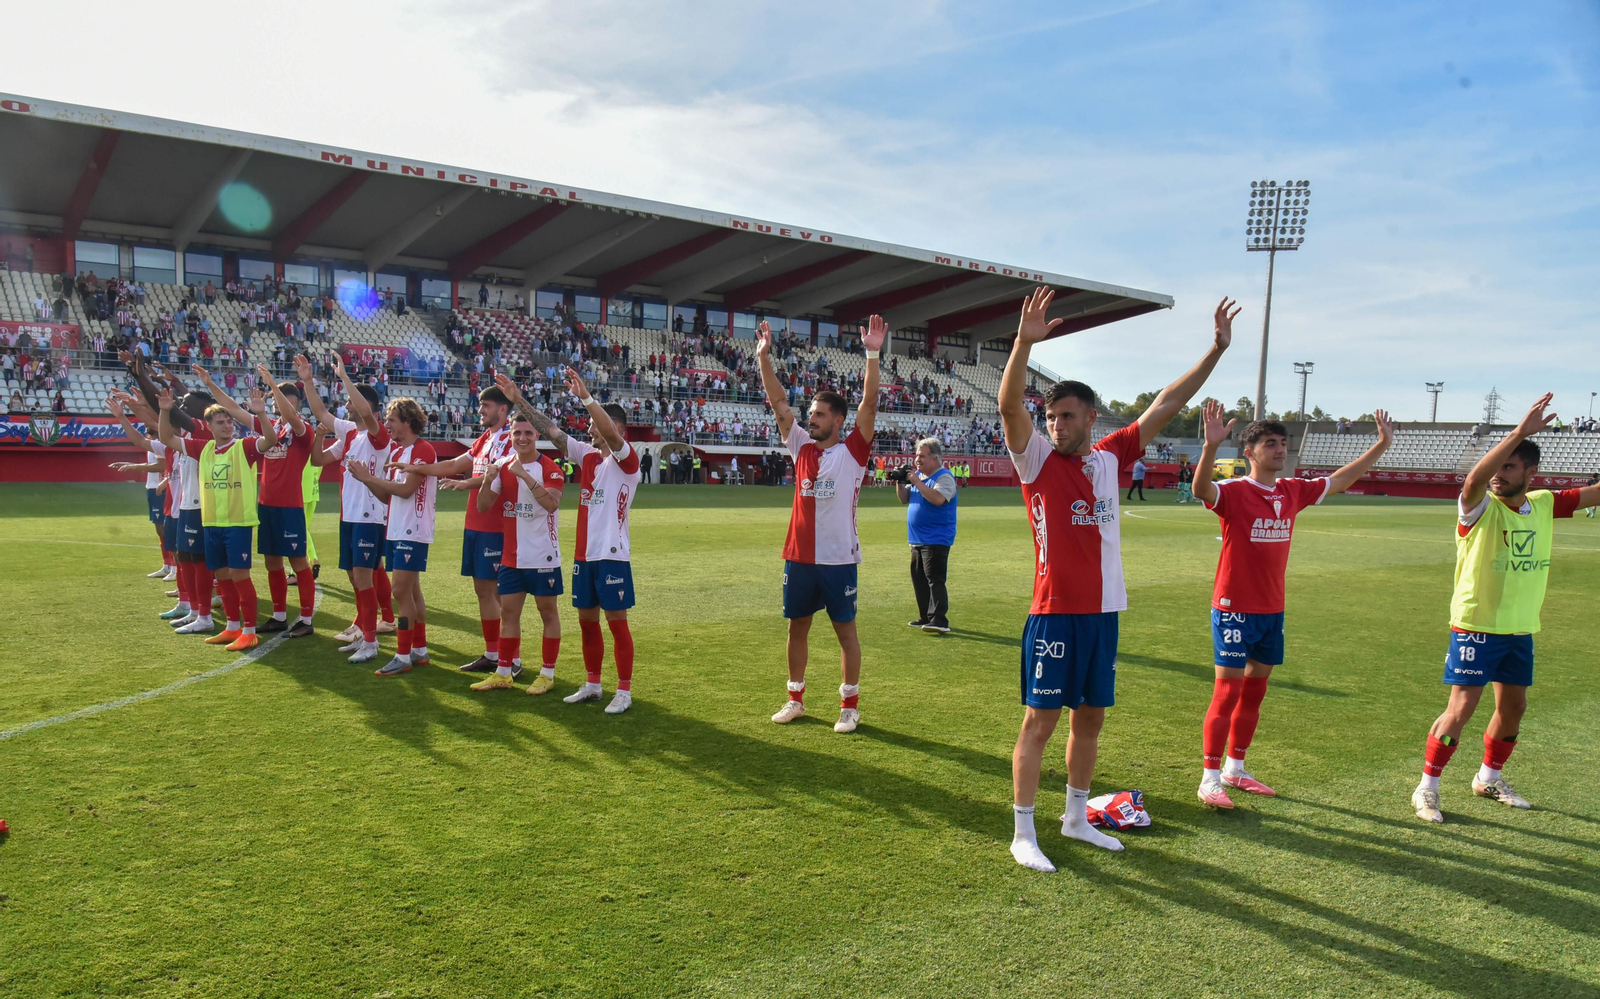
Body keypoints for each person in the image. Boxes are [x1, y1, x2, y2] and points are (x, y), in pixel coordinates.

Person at [1003, 288, 1239, 872]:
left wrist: (1215, 351)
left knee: (1091, 719)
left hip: (1103, 613)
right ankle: (1023, 833)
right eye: (1050, 417)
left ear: (1090, 418)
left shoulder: (1111, 457)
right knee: (1040, 722)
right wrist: (1022, 343)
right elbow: (1010, 408)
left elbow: (1163, 402)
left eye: (1066, 416)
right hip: (1054, 611)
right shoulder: (1034, 461)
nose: (1055, 425)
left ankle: (1077, 818)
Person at [1191, 400, 1395, 808]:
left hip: (1272, 610)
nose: (1280, 450)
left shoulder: (1291, 491)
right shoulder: (1234, 492)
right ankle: (1209, 777)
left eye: (1283, 443)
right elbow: (1201, 490)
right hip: (1233, 608)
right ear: (1250, 453)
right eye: (1270, 443)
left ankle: (1236, 768)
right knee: (1227, 691)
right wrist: (1211, 448)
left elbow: (1339, 480)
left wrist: (1381, 445)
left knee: (1255, 692)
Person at [1411, 394, 1599, 823]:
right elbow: (1473, 480)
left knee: (1514, 707)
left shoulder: (1546, 504)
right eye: (1498, 465)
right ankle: (1428, 787)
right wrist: (1517, 432)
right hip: (1476, 623)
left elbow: (1595, 494)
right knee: (1461, 707)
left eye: (1510, 466)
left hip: (1519, 628)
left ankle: (1488, 777)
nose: (1499, 473)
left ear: (1531, 473)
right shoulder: (1479, 507)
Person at [757, 316, 882, 734]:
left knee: (846, 631)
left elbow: (869, 404)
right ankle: (795, 699)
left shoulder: (853, 453)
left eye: (820, 414)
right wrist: (764, 360)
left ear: (838, 421)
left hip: (839, 559)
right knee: (798, 627)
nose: (811, 419)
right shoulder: (801, 448)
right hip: (799, 556)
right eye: (810, 413)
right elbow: (778, 404)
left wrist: (872, 354)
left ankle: (849, 705)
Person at [503, 370, 641, 714]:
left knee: (617, 623)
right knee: (587, 621)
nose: (590, 430)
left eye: (596, 425)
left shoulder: (627, 461)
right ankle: (593, 683)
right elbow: (551, 429)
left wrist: (586, 398)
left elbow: (606, 429)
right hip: (584, 556)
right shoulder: (587, 456)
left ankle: (623, 690)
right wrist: (519, 400)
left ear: (616, 428)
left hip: (612, 556)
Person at [392, 387, 515, 674]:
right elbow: (453, 465)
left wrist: (465, 483)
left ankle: (511, 657)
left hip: (496, 525)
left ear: (502, 410)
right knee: (483, 590)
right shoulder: (484, 439)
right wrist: (415, 468)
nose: (481, 410)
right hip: (475, 523)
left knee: (499, 593)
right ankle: (493, 652)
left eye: (486, 405)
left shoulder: (510, 440)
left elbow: (499, 474)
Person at [193, 363, 317, 637]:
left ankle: (306, 619)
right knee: (273, 562)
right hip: (266, 506)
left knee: (298, 562)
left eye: (286, 403)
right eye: (277, 402)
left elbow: (291, 417)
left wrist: (273, 385)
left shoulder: (303, 431)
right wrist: (210, 385)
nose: (280, 406)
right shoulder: (269, 427)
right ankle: (280, 615)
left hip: (290, 506)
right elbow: (233, 410)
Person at [155, 385, 278, 651]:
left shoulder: (243, 447)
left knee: (239, 575)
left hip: (238, 524)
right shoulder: (205, 449)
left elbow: (270, 440)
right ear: (208, 426)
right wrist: (165, 411)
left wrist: (261, 415)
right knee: (222, 577)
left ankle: (249, 630)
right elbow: (167, 438)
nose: (226, 426)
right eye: (220, 422)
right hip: (211, 523)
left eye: (229, 421)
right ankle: (232, 626)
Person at [468, 410, 566, 692]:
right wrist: (488, 479)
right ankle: (503, 672)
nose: (522, 438)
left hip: (543, 555)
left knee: (548, 613)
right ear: (510, 437)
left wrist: (524, 475)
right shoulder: (502, 464)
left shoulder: (550, 467)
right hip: (512, 556)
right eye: (517, 433)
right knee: (508, 614)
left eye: (527, 433)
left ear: (537, 435)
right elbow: (483, 505)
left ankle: (547, 674)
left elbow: (552, 504)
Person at [347, 398, 437, 676]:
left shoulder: (422, 449)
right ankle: (418, 650)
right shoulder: (399, 451)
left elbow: (407, 489)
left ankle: (402, 655)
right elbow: (386, 495)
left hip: (414, 528)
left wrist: (368, 478)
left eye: (392, 420)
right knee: (411, 591)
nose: (387, 425)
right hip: (396, 527)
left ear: (407, 422)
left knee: (400, 591)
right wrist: (368, 480)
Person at [897, 440, 958, 634]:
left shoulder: (944, 477)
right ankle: (926, 616)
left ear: (935, 458)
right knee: (919, 578)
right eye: (916, 455)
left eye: (922, 456)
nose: (917, 459)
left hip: (936, 537)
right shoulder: (920, 477)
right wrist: (899, 481)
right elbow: (904, 499)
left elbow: (938, 499)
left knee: (935, 578)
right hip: (917, 538)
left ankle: (939, 619)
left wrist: (916, 481)